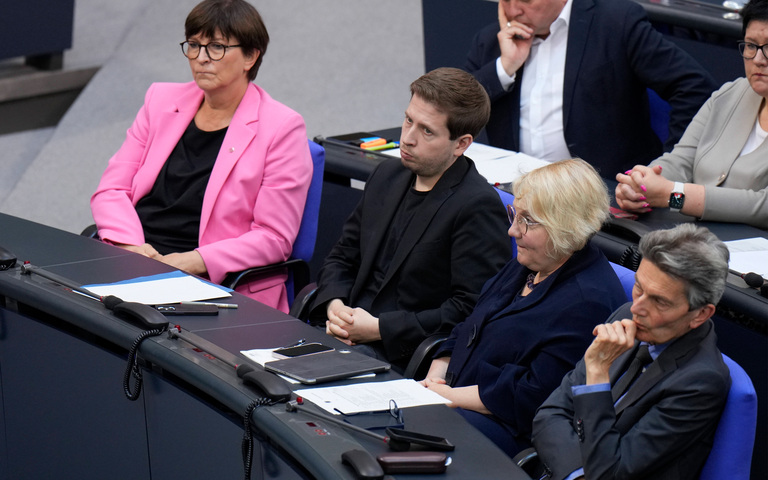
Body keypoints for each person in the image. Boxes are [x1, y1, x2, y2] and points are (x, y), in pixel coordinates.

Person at [90, 0, 312, 313]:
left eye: (216, 47)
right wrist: (132, 249)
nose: (201, 59)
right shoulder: (161, 100)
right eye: (194, 45)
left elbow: (273, 237)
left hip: (210, 281)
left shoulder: (281, 128)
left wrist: (190, 262)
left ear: (250, 56)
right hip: (136, 257)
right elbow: (112, 189)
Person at [309, 67, 512, 371]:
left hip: (399, 355)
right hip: (342, 330)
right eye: (408, 120)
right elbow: (342, 255)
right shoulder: (386, 175)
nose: (408, 138)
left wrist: (379, 328)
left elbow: (468, 309)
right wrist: (334, 304)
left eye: (426, 131)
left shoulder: (477, 205)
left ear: (461, 143)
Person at [420, 158, 627, 457]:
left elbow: (533, 394)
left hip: (507, 430)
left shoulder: (587, 302)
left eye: (526, 221)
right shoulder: (531, 262)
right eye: (514, 215)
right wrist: (437, 372)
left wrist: (449, 396)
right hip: (454, 397)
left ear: (565, 226)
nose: (512, 231)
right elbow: (471, 323)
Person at [532, 224, 731, 480]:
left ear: (701, 314)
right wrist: (576, 474)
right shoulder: (627, 314)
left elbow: (610, 473)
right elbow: (549, 413)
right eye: (638, 287)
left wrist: (596, 375)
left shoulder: (701, 382)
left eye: (659, 301)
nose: (637, 307)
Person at [465, 0, 717, 176]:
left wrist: (670, 164)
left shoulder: (615, 23)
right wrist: (504, 67)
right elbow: (455, 112)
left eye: (525, 0)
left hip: (601, 195)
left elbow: (694, 86)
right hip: (520, 192)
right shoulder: (492, 41)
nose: (512, 11)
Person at [615, 0, 768, 228]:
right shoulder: (730, 94)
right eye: (750, 46)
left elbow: (762, 206)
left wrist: (673, 195)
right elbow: (681, 160)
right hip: (692, 243)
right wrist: (641, 185)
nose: (757, 59)